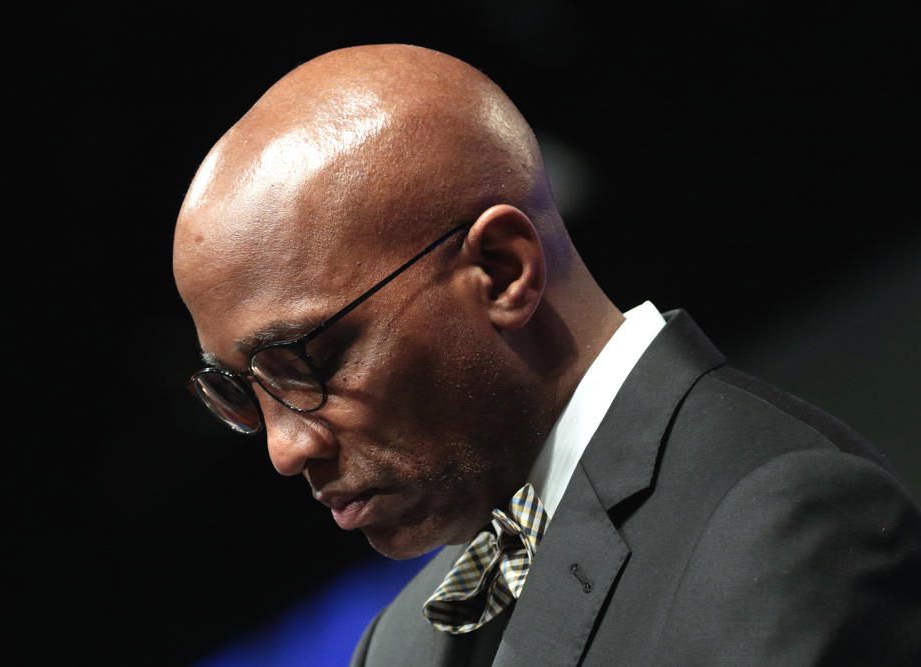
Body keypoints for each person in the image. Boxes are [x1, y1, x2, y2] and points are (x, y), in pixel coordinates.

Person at [172, 45, 921, 667]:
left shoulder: (782, 529)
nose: (284, 446)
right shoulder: (397, 643)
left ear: (502, 270)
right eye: (240, 390)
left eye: (311, 360)